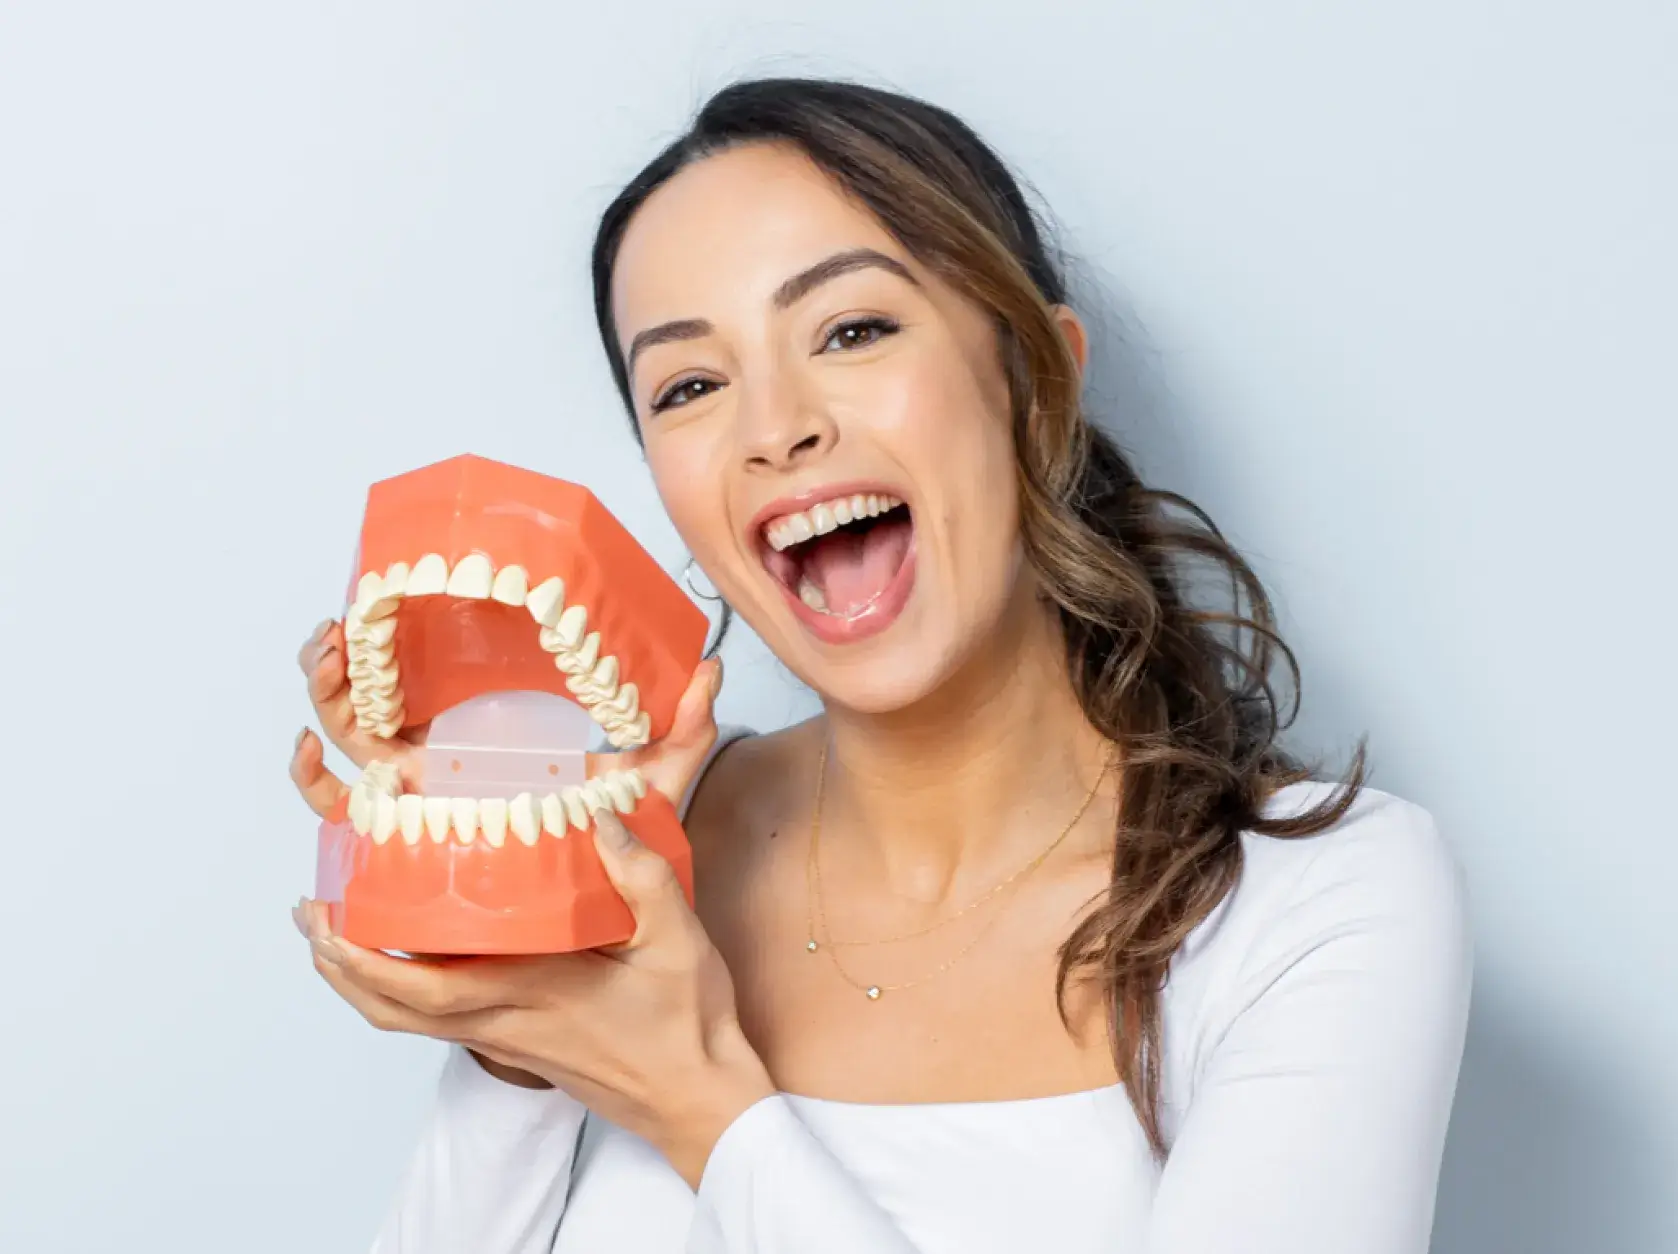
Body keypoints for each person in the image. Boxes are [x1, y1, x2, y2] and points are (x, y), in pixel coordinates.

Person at [288, 76, 1472, 1253]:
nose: (775, 428)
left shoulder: (1320, 902)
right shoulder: (646, 860)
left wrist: (704, 1109)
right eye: (691, 386)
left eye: (852, 330)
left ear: (1035, 379)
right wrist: (525, 1007)